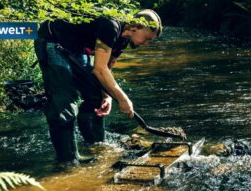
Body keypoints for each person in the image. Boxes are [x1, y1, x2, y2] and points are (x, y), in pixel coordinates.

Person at [34, 9, 162, 163]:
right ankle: (68, 161)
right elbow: (99, 69)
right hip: (53, 41)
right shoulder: (111, 26)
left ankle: (95, 147)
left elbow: (107, 67)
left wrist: (106, 96)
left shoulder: (123, 39)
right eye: (147, 38)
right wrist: (123, 98)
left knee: (96, 97)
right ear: (135, 27)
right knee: (64, 102)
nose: (147, 44)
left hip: (76, 48)